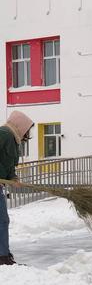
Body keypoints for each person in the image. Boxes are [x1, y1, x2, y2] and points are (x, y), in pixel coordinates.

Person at [0, 110, 34, 265]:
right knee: (2, 220)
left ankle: (3, 254)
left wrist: (13, 178)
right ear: (20, 126)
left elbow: (9, 165)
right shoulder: (4, 134)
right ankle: (2, 256)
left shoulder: (13, 140)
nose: (28, 133)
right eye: (27, 128)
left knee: (2, 220)